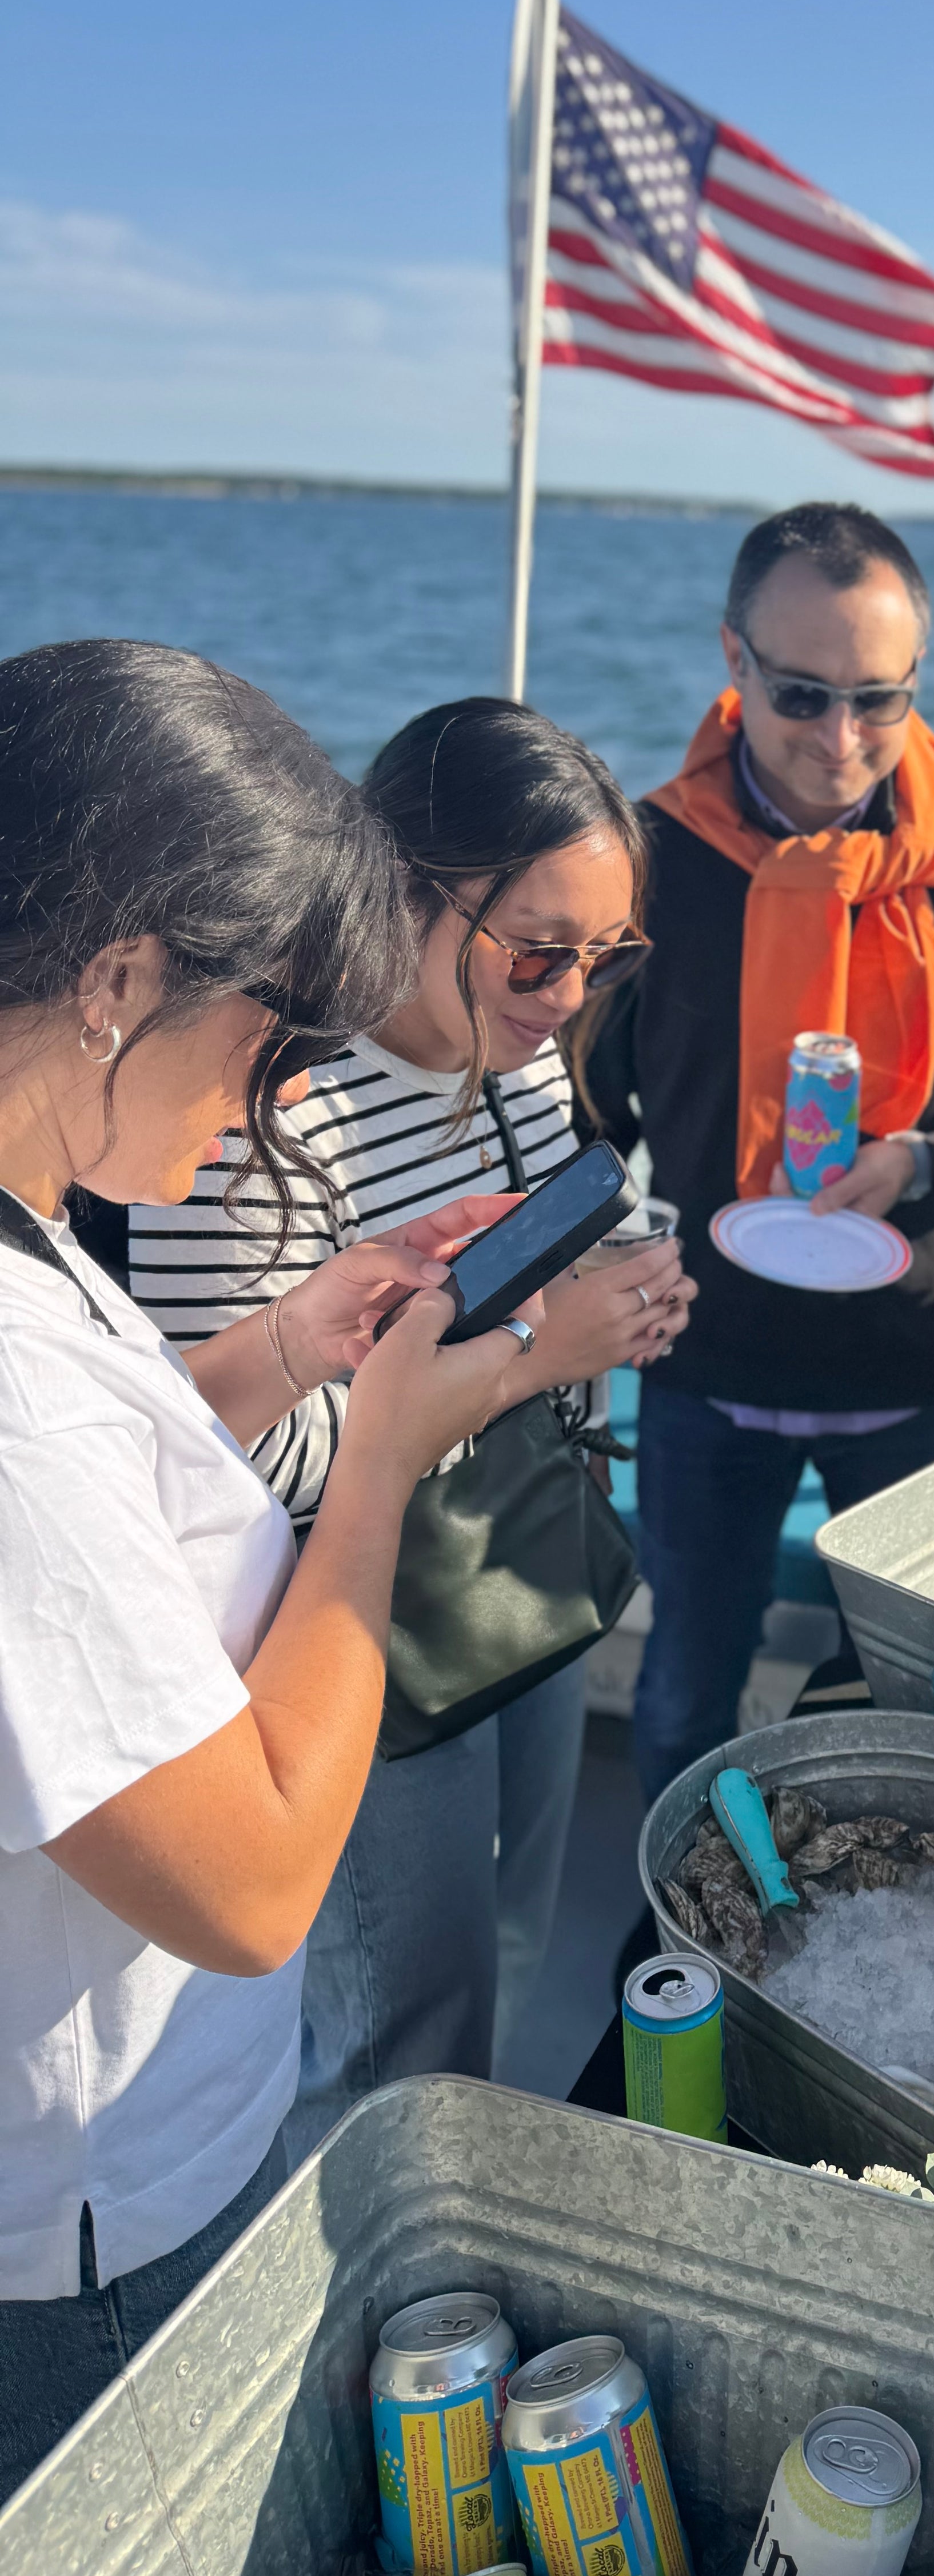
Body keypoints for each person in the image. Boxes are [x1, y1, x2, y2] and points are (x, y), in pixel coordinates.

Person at [0, 641, 532, 2498]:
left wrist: (287, 1354)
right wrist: (377, 1462)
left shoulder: (34, 1221)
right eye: (270, 1044)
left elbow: (106, 1511)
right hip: (73, 2230)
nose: (274, 1109)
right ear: (122, 978)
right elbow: (249, 1877)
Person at [129, 700, 693, 2154]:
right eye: (536, 946)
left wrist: (608, 1305)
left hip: (514, 1564)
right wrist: (530, 1354)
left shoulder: (514, 1056)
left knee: (502, 1940)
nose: (569, 992)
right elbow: (232, 1457)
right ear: (402, 887)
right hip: (351, 1619)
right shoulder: (260, 1101)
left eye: (602, 953)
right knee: (390, 2030)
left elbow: (526, 1287)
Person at [582, 501, 934, 1801]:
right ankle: (680, 1953)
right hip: (701, 1357)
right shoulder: (648, 869)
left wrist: (926, 1163)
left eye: (882, 698)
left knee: (925, 1700)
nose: (843, 740)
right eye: (803, 694)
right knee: (688, 1683)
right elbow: (583, 1116)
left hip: (914, 1369)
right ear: (732, 660)